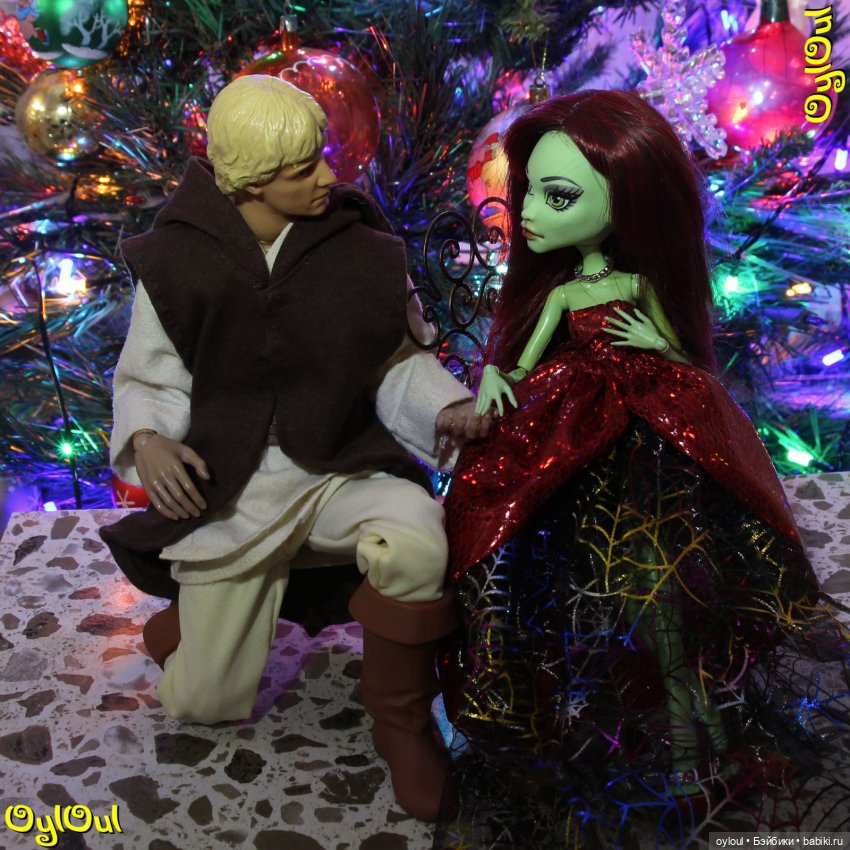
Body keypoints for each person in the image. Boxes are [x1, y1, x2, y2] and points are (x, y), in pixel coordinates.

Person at [437, 90, 850, 848]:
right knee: (582, 593)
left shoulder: (634, 284)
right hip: (572, 428)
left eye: (558, 197)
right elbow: (522, 363)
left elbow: (679, 350)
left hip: (655, 440)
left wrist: (653, 346)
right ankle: (592, 734)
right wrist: (495, 374)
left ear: (627, 202)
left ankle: (692, 745)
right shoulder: (563, 291)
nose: (529, 213)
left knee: (666, 603)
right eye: (529, 192)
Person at [99, 74, 490, 823]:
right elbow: (151, 374)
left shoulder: (363, 252)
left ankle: (402, 721)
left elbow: (396, 363)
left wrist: (448, 408)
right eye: (301, 168)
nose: (326, 177)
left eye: (321, 157)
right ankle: (191, 628)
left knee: (417, 533)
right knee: (203, 703)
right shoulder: (178, 260)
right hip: (233, 488)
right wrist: (148, 439)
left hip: (337, 468)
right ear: (249, 181)